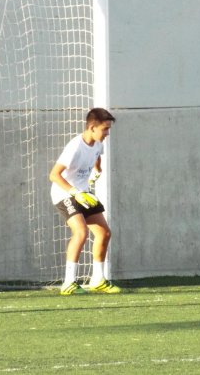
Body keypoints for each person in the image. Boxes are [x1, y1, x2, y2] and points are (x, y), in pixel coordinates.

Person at [49, 108, 121, 295]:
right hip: (64, 193)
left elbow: (96, 156)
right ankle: (68, 283)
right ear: (92, 127)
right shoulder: (74, 146)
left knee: (104, 233)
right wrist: (74, 192)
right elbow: (54, 175)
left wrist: (97, 171)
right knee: (80, 232)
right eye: (105, 129)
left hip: (83, 192)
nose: (107, 133)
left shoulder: (98, 143)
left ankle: (97, 279)